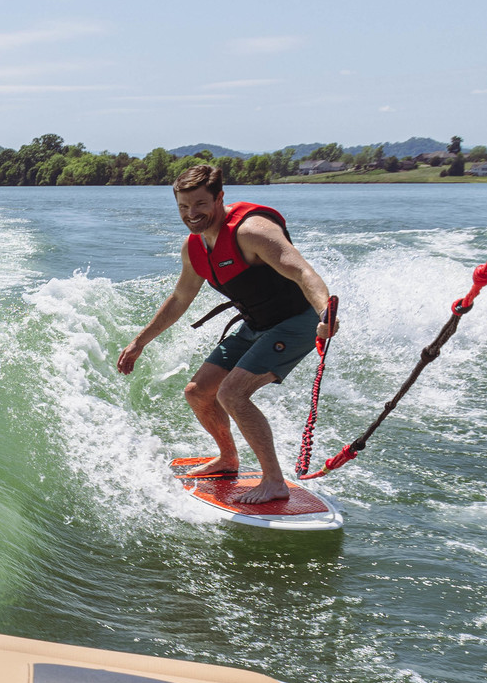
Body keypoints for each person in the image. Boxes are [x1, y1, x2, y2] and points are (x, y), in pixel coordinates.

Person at [116, 163, 337, 506]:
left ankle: (274, 482)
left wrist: (326, 312)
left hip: (297, 321)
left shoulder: (253, 232)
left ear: (220, 198)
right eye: (183, 208)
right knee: (198, 392)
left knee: (233, 394)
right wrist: (139, 342)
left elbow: (301, 270)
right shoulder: (194, 249)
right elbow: (178, 300)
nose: (192, 214)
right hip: (255, 325)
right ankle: (228, 459)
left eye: (200, 204)